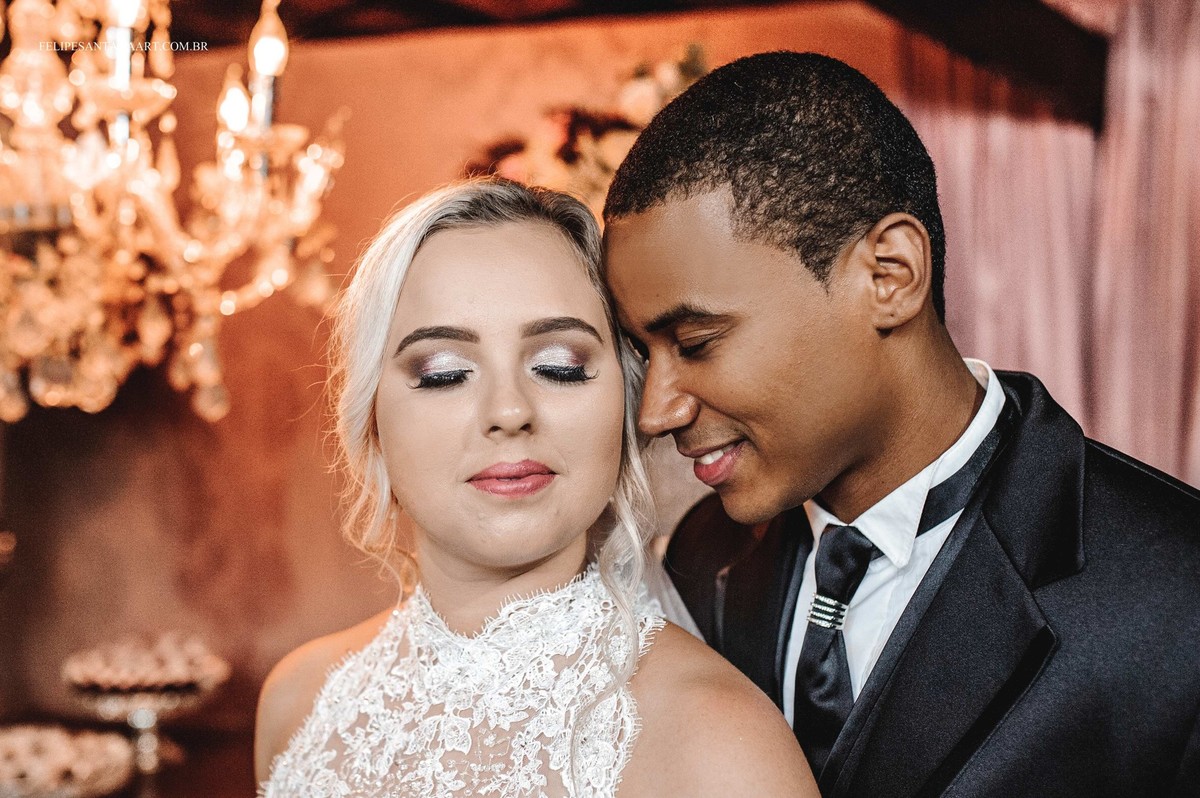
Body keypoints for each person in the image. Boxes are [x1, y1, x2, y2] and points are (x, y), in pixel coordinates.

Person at [601, 51, 1200, 797]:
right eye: (642, 353)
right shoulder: (700, 558)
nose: (656, 410)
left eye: (695, 343)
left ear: (889, 276)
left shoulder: (1179, 600)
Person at [254, 178, 816, 797]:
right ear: (371, 415)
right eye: (444, 373)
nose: (509, 410)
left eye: (559, 367)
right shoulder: (297, 704)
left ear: (627, 405)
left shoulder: (719, 744)